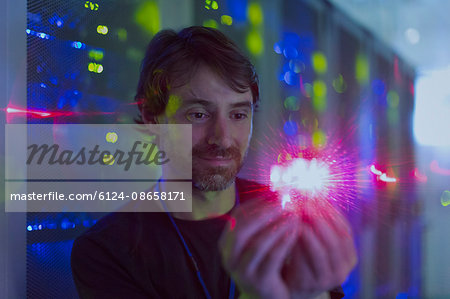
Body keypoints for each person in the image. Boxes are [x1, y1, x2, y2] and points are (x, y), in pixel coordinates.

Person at [71, 26, 357, 299]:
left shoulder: (288, 218)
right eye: (198, 114)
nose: (222, 138)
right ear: (152, 118)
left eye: (238, 115)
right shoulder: (108, 250)